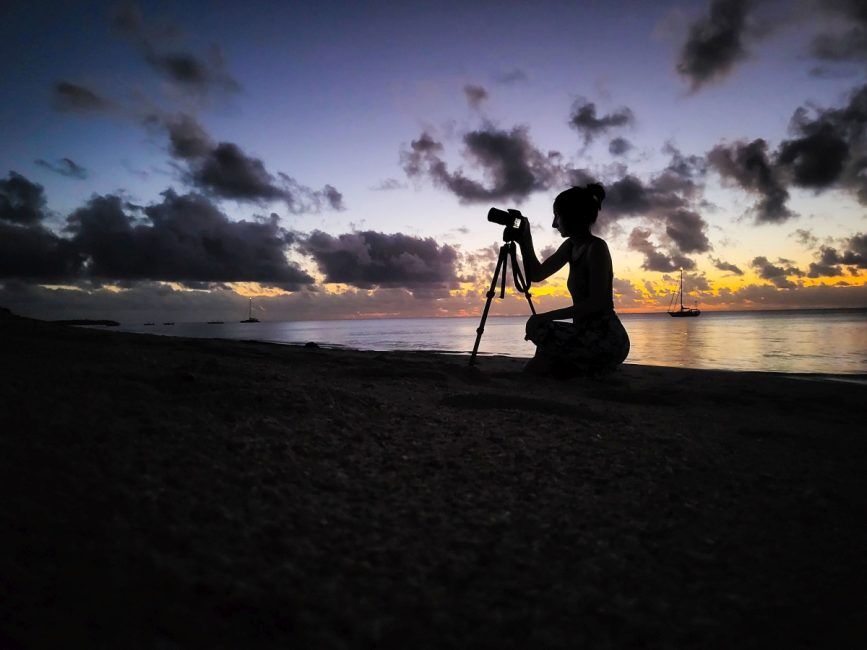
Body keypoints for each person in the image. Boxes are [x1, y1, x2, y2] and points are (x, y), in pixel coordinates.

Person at [516, 183, 630, 377]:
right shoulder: (570, 246)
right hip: (583, 333)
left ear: (572, 215)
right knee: (539, 333)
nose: (554, 224)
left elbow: (596, 303)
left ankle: (585, 365)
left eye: (557, 216)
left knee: (541, 327)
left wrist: (545, 316)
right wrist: (525, 240)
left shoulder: (596, 248)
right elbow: (537, 274)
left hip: (607, 337)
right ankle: (576, 366)